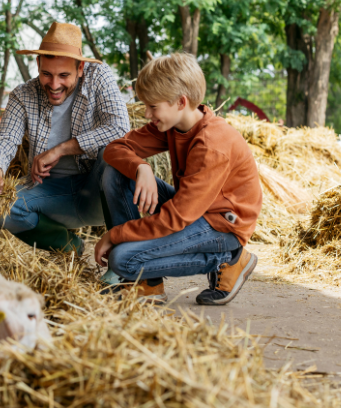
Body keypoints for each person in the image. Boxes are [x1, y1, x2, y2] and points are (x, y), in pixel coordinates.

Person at [95, 53, 262, 306]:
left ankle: (229, 258)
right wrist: (142, 168)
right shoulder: (173, 124)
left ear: (181, 102)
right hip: (196, 210)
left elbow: (175, 217)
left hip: (222, 226)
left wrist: (116, 235)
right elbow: (114, 149)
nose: (148, 113)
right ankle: (147, 284)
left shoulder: (212, 144)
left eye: (153, 106)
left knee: (122, 259)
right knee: (115, 172)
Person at [0, 22, 130, 253]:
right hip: (50, 195)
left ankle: (125, 259)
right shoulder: (22, 94)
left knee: (114, 151)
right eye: (46, 74)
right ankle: (68, 247)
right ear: (38, 64)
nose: (54, 84)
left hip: (98, 192)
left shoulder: (98, 76)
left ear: (80, 68)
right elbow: (6, 139)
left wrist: (59, 150)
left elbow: (120, 128)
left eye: (64, 75)